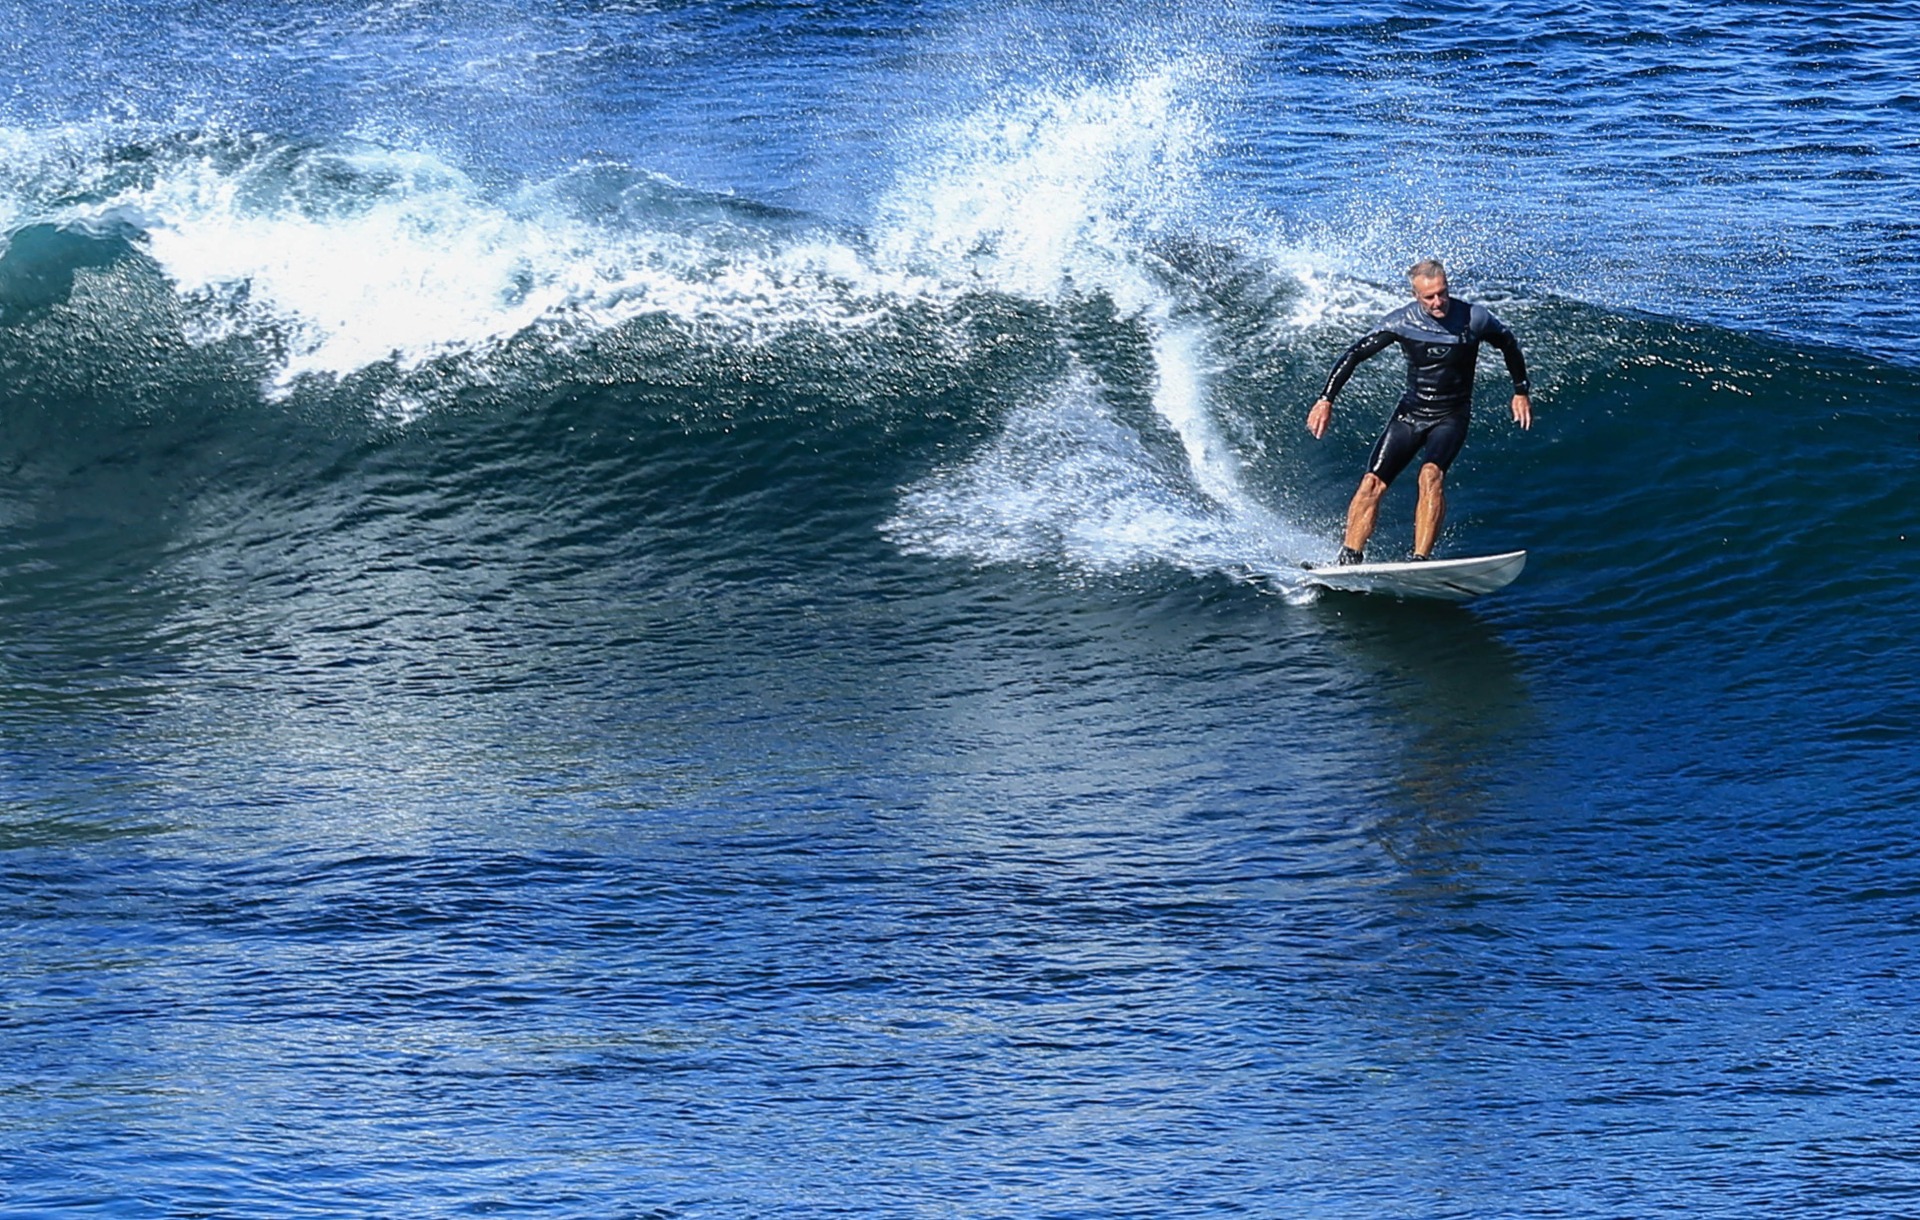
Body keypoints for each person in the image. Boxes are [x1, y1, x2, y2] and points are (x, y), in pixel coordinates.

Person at [1305, 259, 1532, 564]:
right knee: (1372, 483)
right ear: (1416, 296)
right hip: (1411, 412)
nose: (1438, 302)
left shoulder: (1474, 318)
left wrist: (1520, 391)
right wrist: (1325, 399)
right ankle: (1349, 558)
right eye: (1429, 297)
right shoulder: (1402, 322)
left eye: (1443, 293)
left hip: (1451, 414)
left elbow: (1507, 343)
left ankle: (1420, 560)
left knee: (1430, 475)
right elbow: (1355, 354)